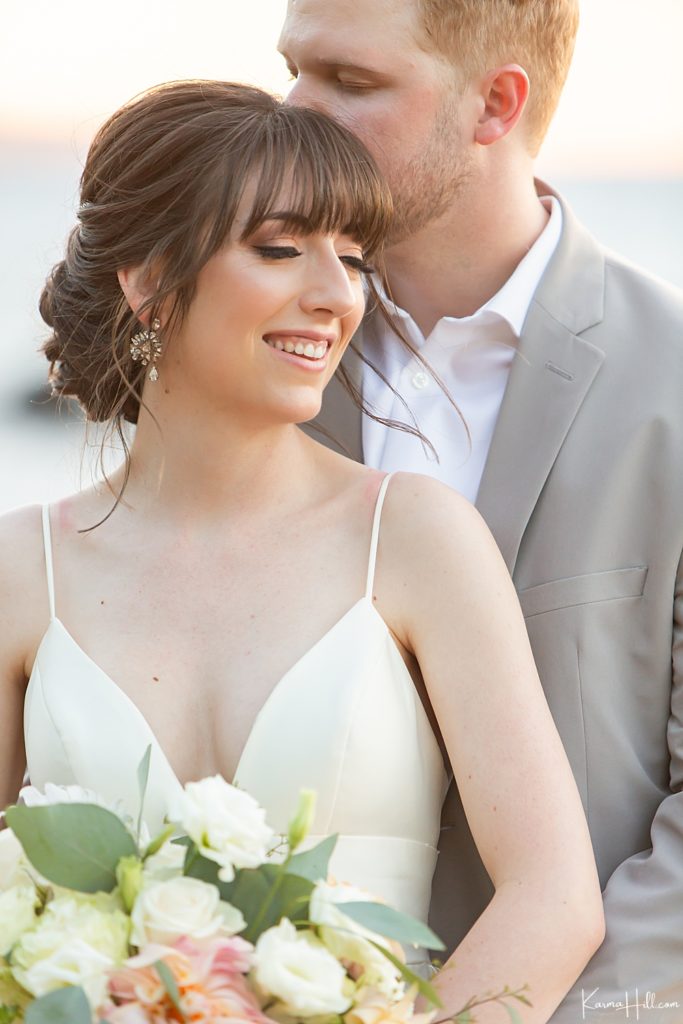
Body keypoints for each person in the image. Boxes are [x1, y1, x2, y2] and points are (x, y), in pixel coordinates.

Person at [0, 81, 603, 1022]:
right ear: (149, 279)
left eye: (355, 259)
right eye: (279, 249)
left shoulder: (415, 540)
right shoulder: (21, 570)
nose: (334, 297)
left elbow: (554, 899)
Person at [277, 0, 683, 1019]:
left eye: (348, 82)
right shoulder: (237, 365)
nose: (292, 111)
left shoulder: (671, 379)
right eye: (289, 69)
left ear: (494, 104)